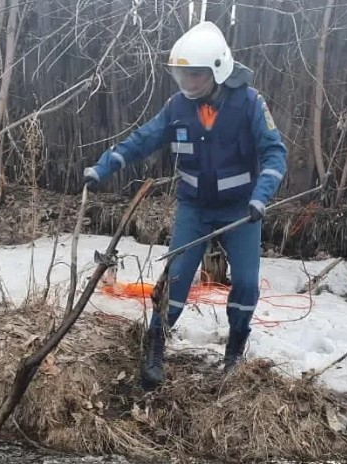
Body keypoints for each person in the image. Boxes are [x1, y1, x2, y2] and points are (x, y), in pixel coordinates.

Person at [83, 21, 288, 390]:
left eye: (194, 76)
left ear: (216, 71)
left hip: (242, 209)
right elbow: (143, 139)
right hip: (194, 208)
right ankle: (155, 345)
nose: (187, 83)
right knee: (175, 279)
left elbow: (275, 152)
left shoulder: (249, 104)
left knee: (245, 284)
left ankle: (234, 352)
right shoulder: (177, 106)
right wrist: (105, 164)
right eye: (181, 75)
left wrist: (262, 196)